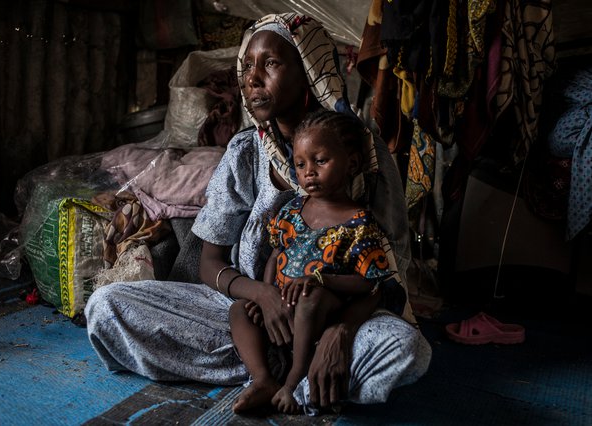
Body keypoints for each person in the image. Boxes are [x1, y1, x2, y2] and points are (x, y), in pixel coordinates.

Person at [85, 13, 431, 415]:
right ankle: (283, 378)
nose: (252, 78)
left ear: (309, 71)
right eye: (247, 65)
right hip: (245, 313)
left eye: (270, 63)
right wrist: (262, 295)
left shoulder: (362, 153)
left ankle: (293, 371)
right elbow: (210, 264)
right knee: (107, 305)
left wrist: (340, 331)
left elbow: (384, 277)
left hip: (330, 315)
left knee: (405, 348)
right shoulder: (244, 151)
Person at [229, 110, 405, 414]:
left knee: (310, 299)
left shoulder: (359, 224)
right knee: (239, 310)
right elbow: (275, 256)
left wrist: (321, 280)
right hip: (281, 308)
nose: (309, 172)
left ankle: (294, 381)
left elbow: (369, 283)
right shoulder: (292, 211)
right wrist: (268, 297)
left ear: (351, 163)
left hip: (320, 309)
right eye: (300, 164)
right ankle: (263, 378)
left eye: (320, 161)